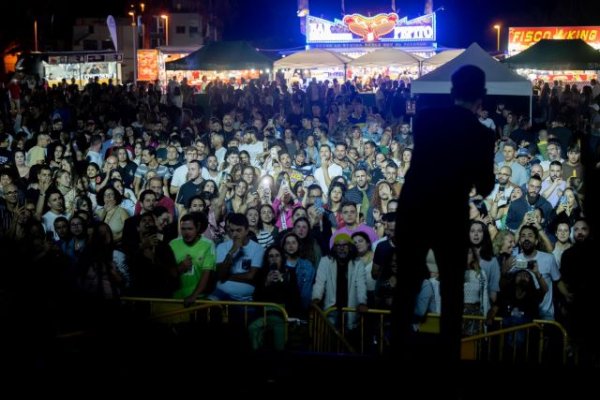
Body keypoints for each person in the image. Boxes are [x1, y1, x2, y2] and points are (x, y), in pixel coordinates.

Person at [393, 65, 496, 365]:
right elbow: (486, 185)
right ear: (482, 97)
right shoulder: (482, 135)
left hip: (413, 210)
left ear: (452, 91)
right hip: (450, 217)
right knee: (452, 290)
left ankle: (396, 353)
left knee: (407, 284)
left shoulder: (426, 118)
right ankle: (449, 359)